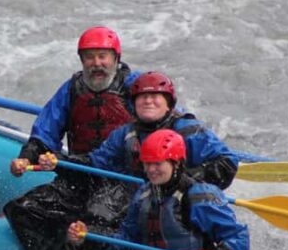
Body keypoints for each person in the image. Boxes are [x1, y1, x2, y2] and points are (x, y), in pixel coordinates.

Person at [66, 129, 249, 250]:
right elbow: (127, 245)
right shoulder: (144, 195)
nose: (152, 170)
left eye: (158, 164)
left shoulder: (200, 196)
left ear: (176, 163)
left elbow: (238, 237)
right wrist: (88, 237)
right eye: (147, 164)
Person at [2, 26, 138, 250]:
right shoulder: (72, 89)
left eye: (103, 56)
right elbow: (45, 133)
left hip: (122, 182)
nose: (97, 63)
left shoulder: (135, 88)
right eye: (89, 57)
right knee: (23, 209)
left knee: (97, 220)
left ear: (116, 58)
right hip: (79, 176)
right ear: (82, 60)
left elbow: (164, 118)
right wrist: (27, 157)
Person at [84, 70, 238, 189]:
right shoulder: (124, 134)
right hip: (140, 198)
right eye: (142, 96)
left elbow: (227, 163)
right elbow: (97, 162)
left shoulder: (188, 131)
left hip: (180, 198)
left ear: (168, 104)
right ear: (133, 105)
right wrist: (64, 160)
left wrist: (185, 179)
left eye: (155, 96)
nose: (148, 101)